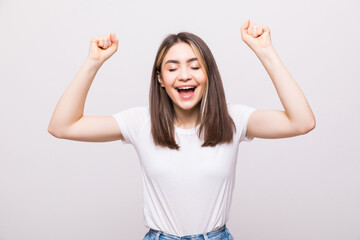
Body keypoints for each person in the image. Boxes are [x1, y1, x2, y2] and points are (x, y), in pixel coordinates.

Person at [48, 19, 316, 240]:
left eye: (195, 66)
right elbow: (63, 126)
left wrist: (266, 51)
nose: (184, 75)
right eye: (172, 68)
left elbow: (301, 122)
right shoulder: (141, 122)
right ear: (161, 79)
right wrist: (93, 62)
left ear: (208, 75)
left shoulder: (233, 119)